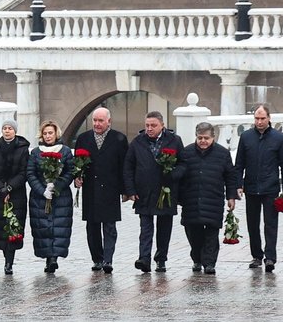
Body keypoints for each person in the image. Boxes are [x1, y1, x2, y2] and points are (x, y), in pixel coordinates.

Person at [123, 111, 186, 274]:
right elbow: (128, 167)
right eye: (147, 125)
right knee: (145, 228)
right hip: (144, 191)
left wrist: (173, 174)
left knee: (164, 227)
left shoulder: (174, 140)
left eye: (153, 125)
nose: (149, 129)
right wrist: (130, 190)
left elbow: (183, 163)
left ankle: (161, 259)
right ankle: (144, 258)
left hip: (166, 191)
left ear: (162, 125)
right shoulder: (137, 142)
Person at [232, 104, 283, 273]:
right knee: (252, 223)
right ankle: (257, 255)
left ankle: (270, 257)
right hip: (250, 187)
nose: (259, 122)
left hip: (270, 187)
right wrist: (238, 184)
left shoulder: (279, 138)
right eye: (257, 118)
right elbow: (239, 163)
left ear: (269, 118)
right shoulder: (246, 137)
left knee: (270, 223)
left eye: (262, 118)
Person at [177, 121, 238, 275]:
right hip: (191, 199)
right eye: (200, 138)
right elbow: (180, 176)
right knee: (193, 233)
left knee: (212, 233)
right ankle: (197, 258)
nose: (203, 141)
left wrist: (231, 197)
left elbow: (230, 176)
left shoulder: (222, 154)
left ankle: (209, 262)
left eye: (206, 138)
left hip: (213, 199)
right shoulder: (186, 153)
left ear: (213, 138)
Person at [72, 107, 127, 273]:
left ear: (109, 121)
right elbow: (77, 163)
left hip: (110, 189)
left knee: (109, 226)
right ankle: (97, 259)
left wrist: (126, 190)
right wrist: (77, 178)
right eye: (94, 120)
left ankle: (108, 259)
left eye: (100, 121)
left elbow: (124, 166)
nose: (97, 124)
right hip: (91, 189)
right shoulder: (83, 139)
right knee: (92, 226)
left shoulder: (119, 139)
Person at [25, 121, 75, 275]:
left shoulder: (65, 151)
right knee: (43, 227)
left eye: (50, 133)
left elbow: (70, 171)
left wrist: (56, 186)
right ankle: (48, 257)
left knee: (59, 227)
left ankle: (54, 258)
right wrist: (42, 190)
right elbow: (30, 173)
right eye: (45, 133)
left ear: (56, 134)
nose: (48, 136)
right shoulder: (35, 153)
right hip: (40, 197)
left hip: (61, 196)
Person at [0, 120, 30, 275]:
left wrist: (10, 187)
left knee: (14, 227)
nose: (7, 131)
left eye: (10, 128)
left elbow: (24, 172)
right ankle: (6, 257)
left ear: (15, 131)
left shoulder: (23, 150)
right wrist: (1, 189)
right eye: (4, 128)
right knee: (1, 228)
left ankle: (9, 261)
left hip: (16, 195)